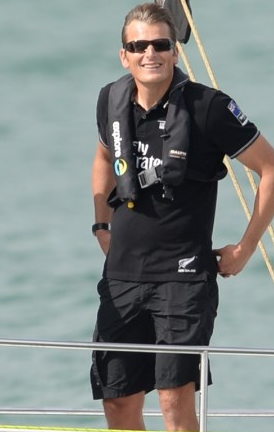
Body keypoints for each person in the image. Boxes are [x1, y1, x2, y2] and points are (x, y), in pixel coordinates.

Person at [90, 4, 274, 430]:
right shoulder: (110, 99)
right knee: (117, 402)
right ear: (124, 55)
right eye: (139, 46)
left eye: (160, 44)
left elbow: (269, 168)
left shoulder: (210, 106)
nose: (149, 54)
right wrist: (101, 224)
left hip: (184, 279)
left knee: (174, 400)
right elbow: (102, 157)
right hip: (122, 275)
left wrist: (246, 248)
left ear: (175, 51)